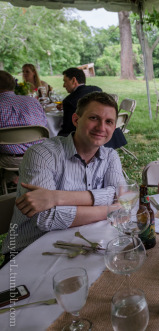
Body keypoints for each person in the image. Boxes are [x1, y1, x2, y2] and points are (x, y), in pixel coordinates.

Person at [1, 92, 124, 261]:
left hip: (83, 243)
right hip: (28, 250)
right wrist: (110, 210)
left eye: (109, 121)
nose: (101, 127)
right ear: (75, 120)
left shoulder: (110, 156)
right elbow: (45, 218)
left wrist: (56, 197)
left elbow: (122, 198)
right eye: (93, 118)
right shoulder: (41, 154)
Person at [0, 70, 48, 172]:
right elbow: (44, 126)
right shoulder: (33, 101)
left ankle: (11, 179)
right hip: (39, 155)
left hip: (9, 159)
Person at [58, 67, 102, 136]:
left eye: (65, 81)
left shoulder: (69, 101)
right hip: (105, 134)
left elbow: (67, 129)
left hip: (85, 138)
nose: (64, 85)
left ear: (73, 80)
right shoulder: (97, 89)